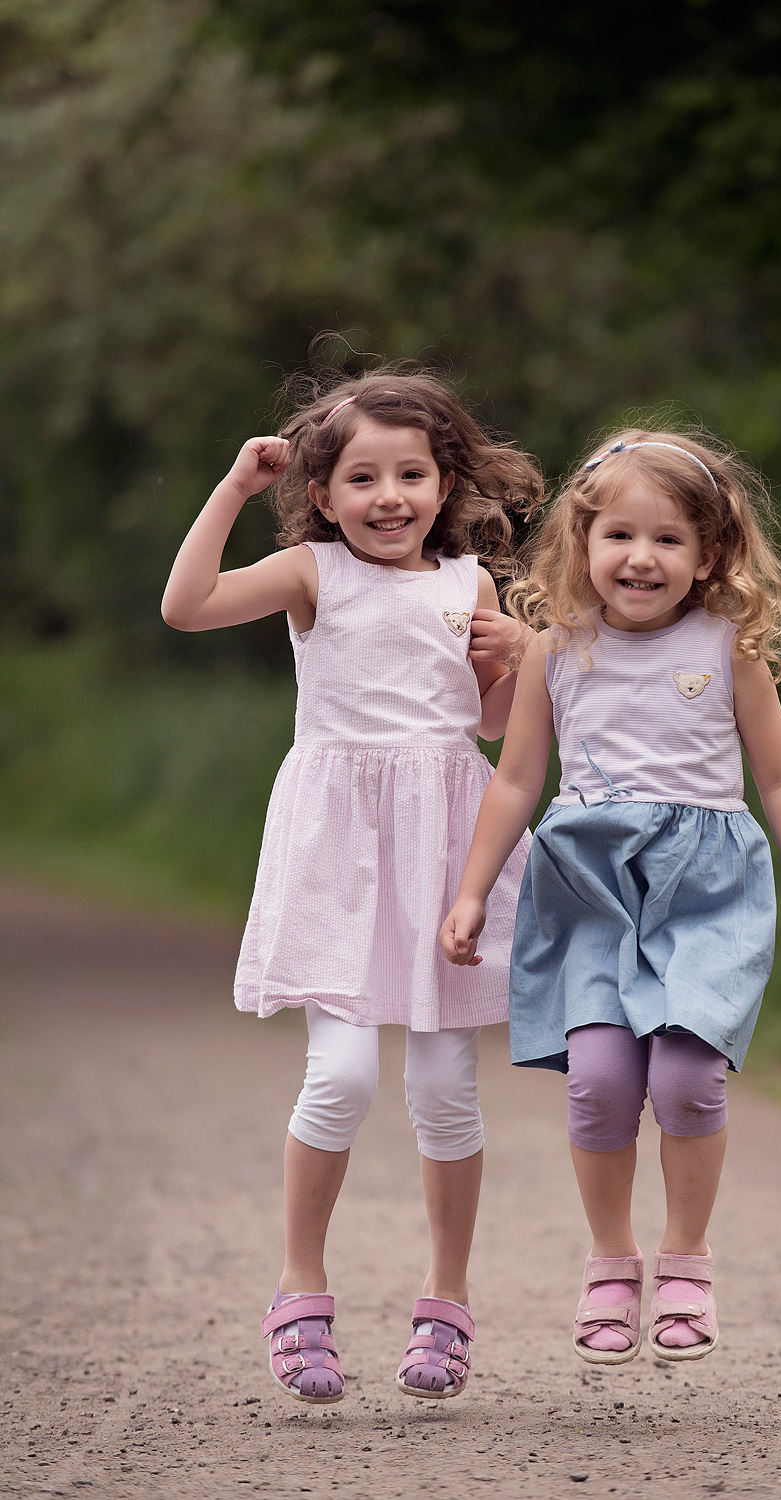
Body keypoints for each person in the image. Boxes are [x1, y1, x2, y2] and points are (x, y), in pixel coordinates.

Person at [162, 370, 539, 1403]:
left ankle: (446, 1302)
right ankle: (300, 1290)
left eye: (410, 474)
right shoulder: (309, 573)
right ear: (322, 494)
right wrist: (233, 490)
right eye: (361, 477)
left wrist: (518, 656)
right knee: (342, 1077)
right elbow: (186, 606)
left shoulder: (468, 586)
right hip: (339, 850)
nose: (389, 496)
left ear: (444, 480)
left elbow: (496, 723)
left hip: (444, 847)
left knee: (444, 1090)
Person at [440, 428, 781, 1366]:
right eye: (619, 535)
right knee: (603, 1082)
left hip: (706, 888)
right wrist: (473, 893)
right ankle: (611, 1263)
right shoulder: (556, 651)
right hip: (590, 888)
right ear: (583, 543)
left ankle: (686, 1261)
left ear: (708, 556)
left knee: (689, 1078)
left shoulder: (727, 648)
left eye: (667, 540)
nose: (641, 558)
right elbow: (515, 780)